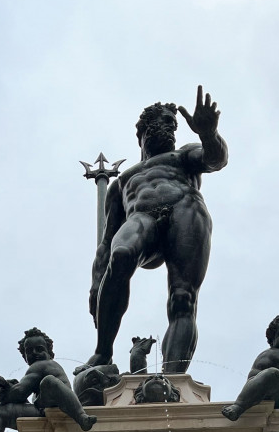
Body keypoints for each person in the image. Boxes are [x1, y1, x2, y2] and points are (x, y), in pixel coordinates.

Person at [86, 87, 228, 374]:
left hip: (185, 210)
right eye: (163, 122)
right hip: (142, 216)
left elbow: (215, 159)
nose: (169, 129)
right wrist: (95, 282)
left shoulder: (184, 155)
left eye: (172, 124)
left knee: (182, 297)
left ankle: (171, 377)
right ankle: (102, 353)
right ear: (143, 131)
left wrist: (208, 134)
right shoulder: (123, 181)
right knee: (122, 253)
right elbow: (106, 243)